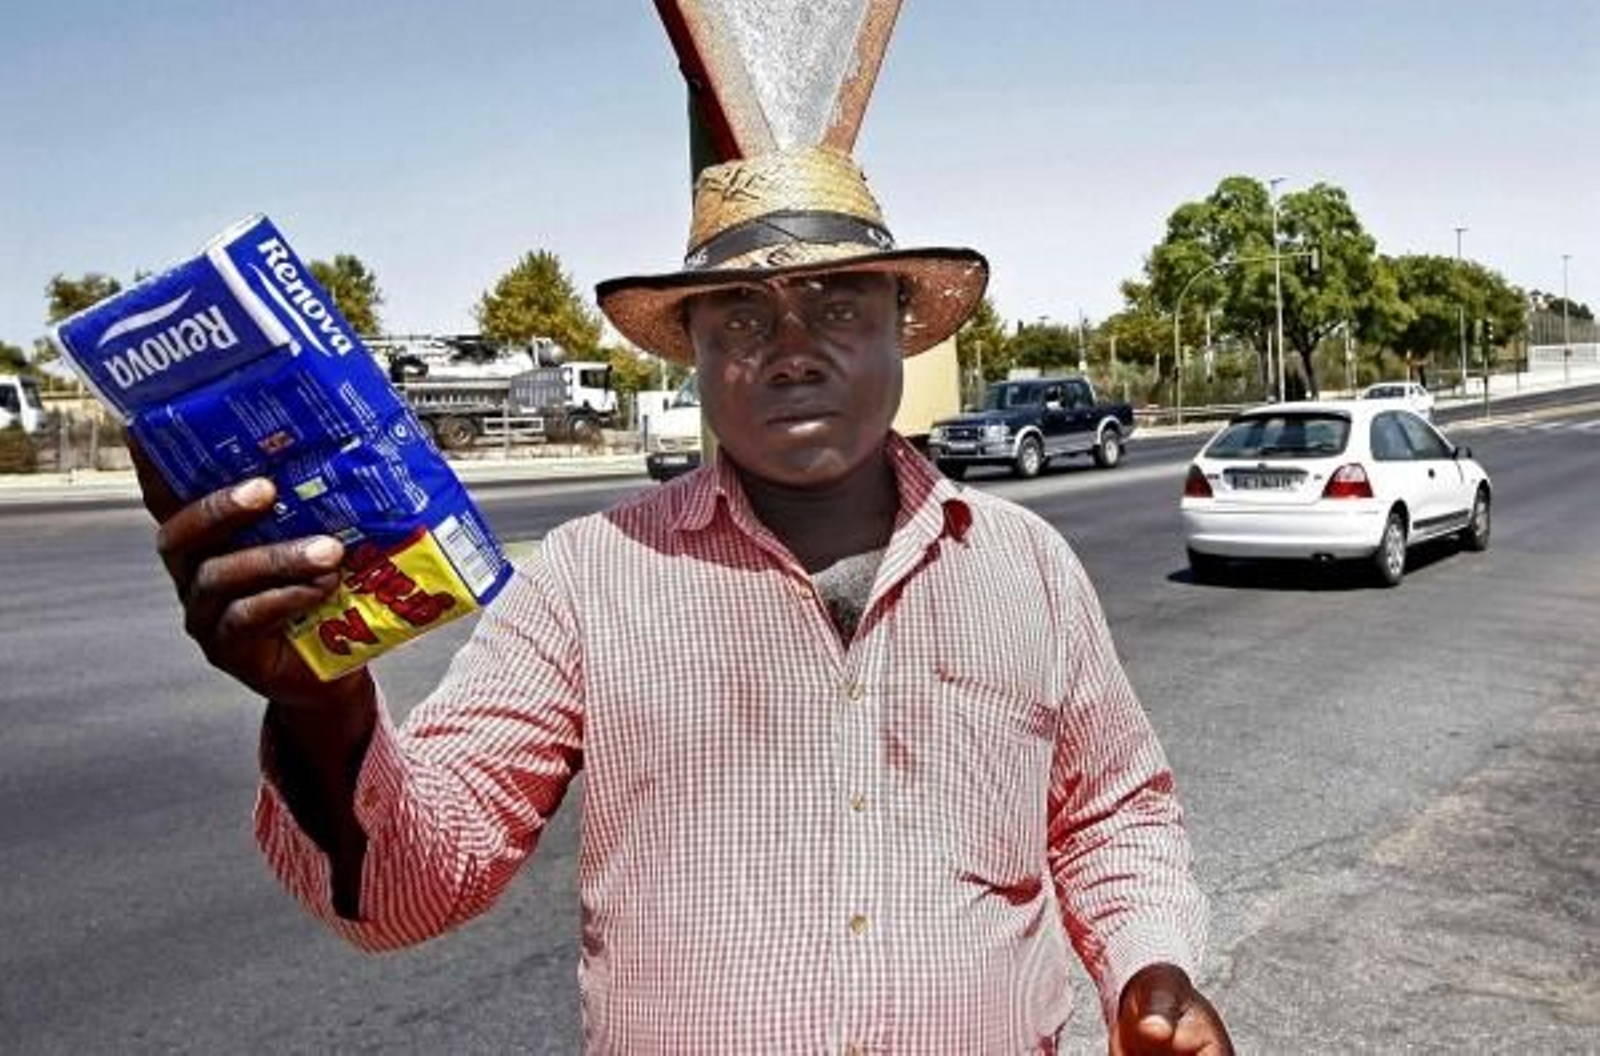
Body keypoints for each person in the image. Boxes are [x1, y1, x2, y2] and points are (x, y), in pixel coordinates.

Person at [133, 144, 1233, 1054]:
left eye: (838, 306)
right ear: (695, 356)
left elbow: (1113, 812)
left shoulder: (1024, 564)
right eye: (742, 319)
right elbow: (415, 886)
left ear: (901, 326)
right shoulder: (589, 576)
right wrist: (322, 708)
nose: (793, 352)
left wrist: (1151, 966)